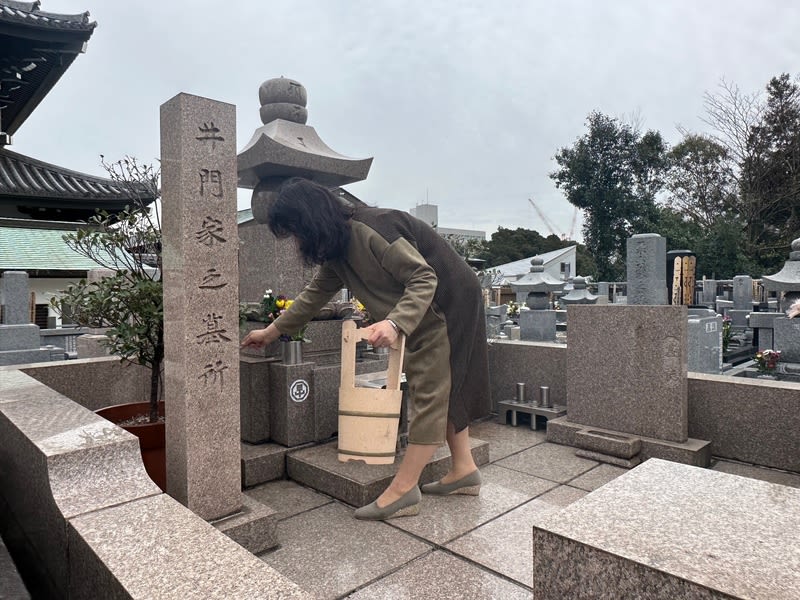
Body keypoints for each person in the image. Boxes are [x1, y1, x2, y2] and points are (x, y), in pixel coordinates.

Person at [241, 177, 491, 520]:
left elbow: (423, 277)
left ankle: (404, 490)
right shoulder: (338, 250)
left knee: (430, 387)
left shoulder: (372, 228)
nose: (297, 242)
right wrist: (271, 332)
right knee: (446, 387)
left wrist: (394, 323)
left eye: (296, 232)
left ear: (310, 220)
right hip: (427, 307)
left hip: (448, 302)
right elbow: (314, 296)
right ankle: (463, 468)